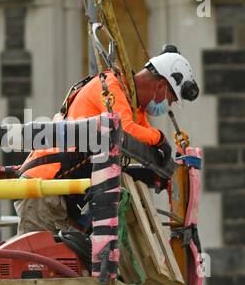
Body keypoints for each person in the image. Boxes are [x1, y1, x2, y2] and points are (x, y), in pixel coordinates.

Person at [15, 45, 199, 234]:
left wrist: (158, 165)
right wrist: (160, 138)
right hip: (43, 188)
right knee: (40, 261)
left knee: (70, 261)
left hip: (60, 193)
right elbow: (124, 129)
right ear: (160, 85)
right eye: (171, 98)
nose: (168, 105)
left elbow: (143, 138)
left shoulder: (133, 105)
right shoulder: (111, 86)